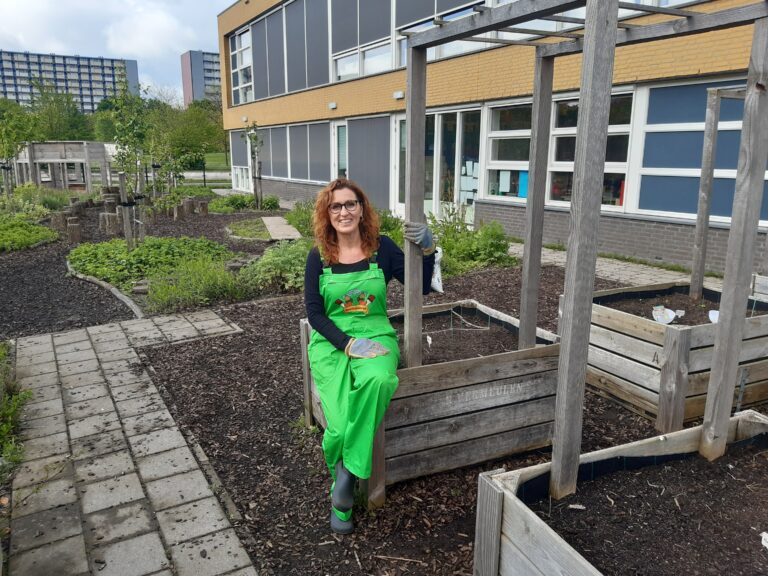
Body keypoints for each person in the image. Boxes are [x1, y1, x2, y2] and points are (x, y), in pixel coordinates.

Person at [304, 178, 436, 534]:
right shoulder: (319, 255)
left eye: (350, 204)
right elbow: (314, 314)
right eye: (336, 206)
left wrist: (428, 250)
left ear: (362, 209)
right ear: (326, 214)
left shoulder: (383, 248)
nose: (344, 212)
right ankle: (345, 472)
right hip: (332, 344)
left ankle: (343, 488)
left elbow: (420, 287)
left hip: (376, 336)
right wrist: (347, 344)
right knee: (338, 427)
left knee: (379, 379)